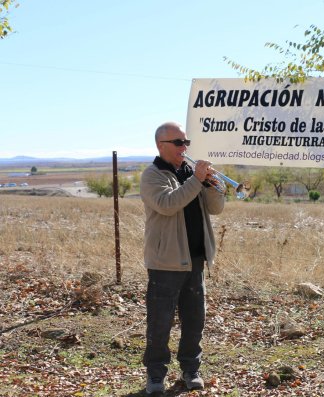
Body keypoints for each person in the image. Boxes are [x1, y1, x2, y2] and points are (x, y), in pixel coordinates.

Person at [140, 121, 225, 395]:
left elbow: (216, 209)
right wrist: (196, 180)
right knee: (160, 323)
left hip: (195, 259)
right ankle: (155, 375)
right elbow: (168, 204)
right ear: (160, 146)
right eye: (178, 143)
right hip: (165, 262)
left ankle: (191, 369)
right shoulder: (152, 176)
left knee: (194, 319)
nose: (184, 148)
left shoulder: (191, 174)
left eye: (185, 142)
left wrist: (213, 186)